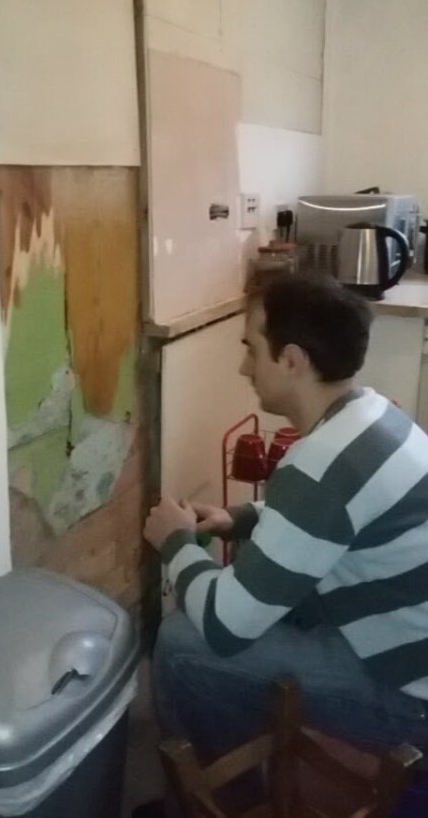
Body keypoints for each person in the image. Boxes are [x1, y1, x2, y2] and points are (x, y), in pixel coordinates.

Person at [144, 273, 428, 767]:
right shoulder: (374, 414)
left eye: (252, 350)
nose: (243, 367)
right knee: (286, 607)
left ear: (292, 361)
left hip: (411, 701)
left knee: (182, 643)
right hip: (411, 647)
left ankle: (229, 793)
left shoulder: (320, 466)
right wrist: (239, 519)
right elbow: (337, 517)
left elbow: (223, 626)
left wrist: (176, 543)